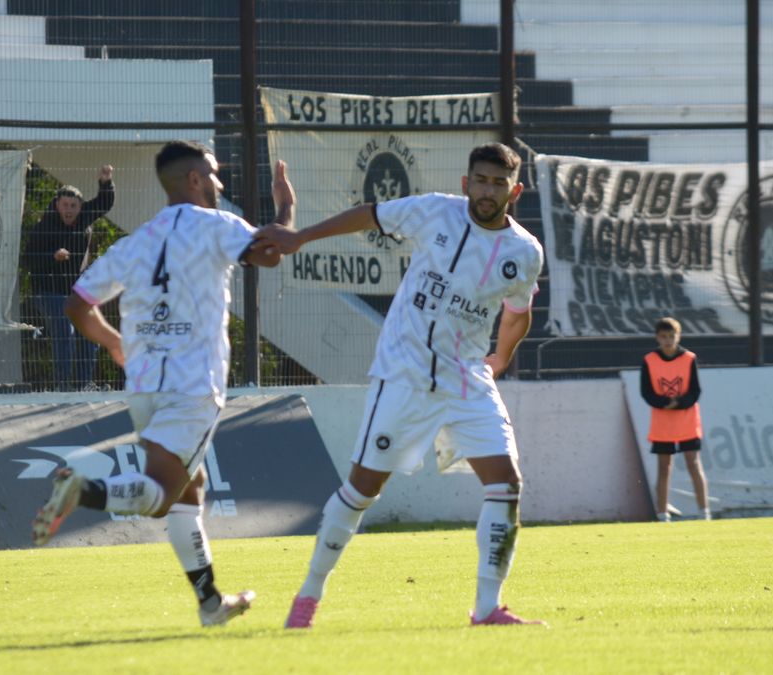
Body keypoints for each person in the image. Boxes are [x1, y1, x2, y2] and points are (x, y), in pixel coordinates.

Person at [255, 142, 546, 628]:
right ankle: (307, 597)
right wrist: (301, 236)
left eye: (498, 183)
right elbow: (369, 215)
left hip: (467, 378)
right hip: (405, 374)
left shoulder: (524, 251)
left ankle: (488, 608)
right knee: (363, 490)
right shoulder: (434, 212)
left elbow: (519, 312)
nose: (488, 190)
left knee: (507, 485)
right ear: (466, 183)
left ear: (514, 191)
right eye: (481, 179)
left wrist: (499, 359)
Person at [31, 141, 293, 628]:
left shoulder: (137, 240)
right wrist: (286, 208)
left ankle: (210, 603)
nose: (219, 184)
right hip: (194, 384)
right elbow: (272, 252)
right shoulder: (216, 226)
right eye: (213, 175)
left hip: (145, 387)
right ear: (194, 179)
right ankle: (84, 492)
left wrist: (113, 343)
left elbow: (77, 304)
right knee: (163, 495)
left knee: (190, 490)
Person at [22, 165, 116, 390]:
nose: (69, 210)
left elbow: (104, 203)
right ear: (57, 205)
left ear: (79, 207)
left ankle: (84, 384)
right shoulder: (44, 227)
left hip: (74, 291)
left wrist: (106, 182)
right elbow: (27, 261)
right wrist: (52, 257)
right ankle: (61, 386)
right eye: (65, 205)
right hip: (47, 291)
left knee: (90, 331)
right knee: (65, 330)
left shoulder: (84, 218)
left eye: (73, 206)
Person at [640, 317, 710, 522]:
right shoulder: (649, 360)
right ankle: (662, 514)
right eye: (663, 337)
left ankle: (704, 512)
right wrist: (663, 403)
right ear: (657, 338)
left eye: (672, 336)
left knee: (693, 464)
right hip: (663, 422)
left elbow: (695, 391)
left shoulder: (689, 358)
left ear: (678, 336)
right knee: (664, 467)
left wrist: (679, 403)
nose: (668, 340)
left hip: (687, 420)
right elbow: (646, 392)